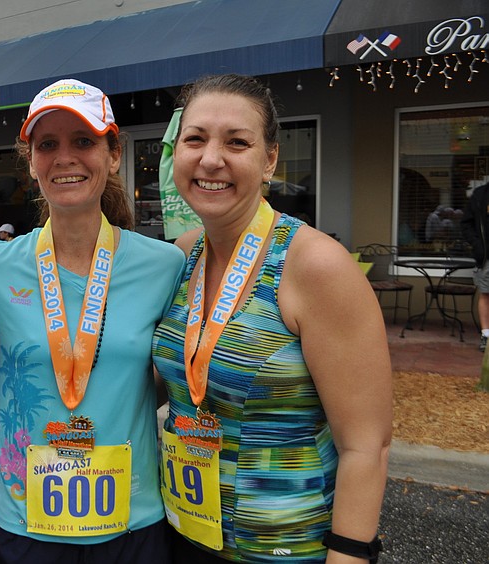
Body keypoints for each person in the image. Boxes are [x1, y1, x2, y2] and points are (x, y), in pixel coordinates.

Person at [151, 75, 392, 563]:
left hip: (286, 548)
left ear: (270, 160)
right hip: (185, 535)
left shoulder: (315, 265)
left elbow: (366, 445)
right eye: (195, 139)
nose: (211, 159)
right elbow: (167, 382)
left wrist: (349, 554)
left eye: (237, 142)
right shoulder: (181, 256)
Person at [0, 79, 185, 563]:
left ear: (113, 154)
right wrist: (18, 410)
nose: (65, 157)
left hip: (132, 523)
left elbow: (168, 378)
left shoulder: (163, 265)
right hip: (23, 524)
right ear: (31, 161)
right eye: (48, 145)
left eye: (83, 141)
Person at [461, 181, 489, 351]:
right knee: (486, 294)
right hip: (487, 258)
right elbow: (466, 224)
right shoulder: (480, 195)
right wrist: (478, 245)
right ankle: (486, 335)